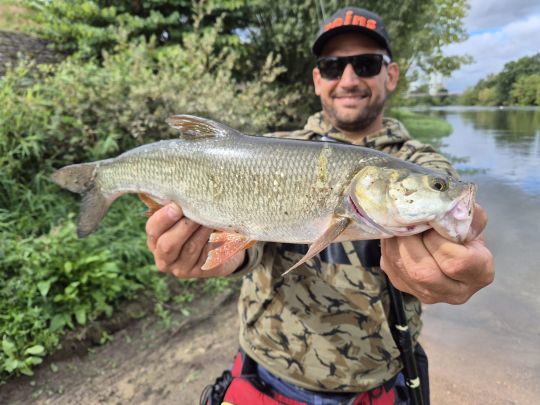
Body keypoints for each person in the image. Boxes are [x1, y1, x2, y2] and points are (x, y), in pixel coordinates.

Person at [145, 6, 494, 405]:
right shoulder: (274, 147)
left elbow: (454, 237)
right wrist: (213, 256)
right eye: (332, 66)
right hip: (266, 376)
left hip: (380, 382)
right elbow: (250, 246)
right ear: (317, 79)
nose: (348, 79)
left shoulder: (420, 163)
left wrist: (452, 262)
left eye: (365, 64)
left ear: (390, 75)